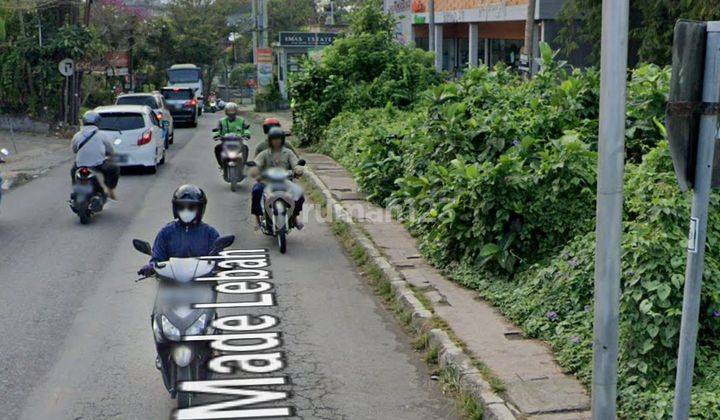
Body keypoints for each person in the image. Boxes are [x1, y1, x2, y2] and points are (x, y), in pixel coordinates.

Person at [138, 185, 220, 273]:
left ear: (200, 209)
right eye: (181, 207)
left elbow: (219, 258)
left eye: (191, 207)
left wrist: (220, 264)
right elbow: (157, 258)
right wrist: (151, 266)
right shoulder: (166, 232)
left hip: (202, 282)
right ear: (175, 209)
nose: (186, 210)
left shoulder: (210, 233)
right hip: (170, 283)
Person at [250, 127, 305, 230]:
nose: (276, 141)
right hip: (267, 182)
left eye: (279, 139)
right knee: (256, 190)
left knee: (300, 196)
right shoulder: (265, 153)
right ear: (270, 141)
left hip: (285, 182)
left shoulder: (288, 152)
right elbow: (256, 163)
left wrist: (298, 170)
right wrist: (255, 170)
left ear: (282, 140)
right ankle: (257, 218)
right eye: (274, 139)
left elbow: (295, 163)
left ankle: (294, 217)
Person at [70, 111, 120, 200]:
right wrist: (110, 155)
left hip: (80, 165)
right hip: (97, 165)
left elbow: (74, 150)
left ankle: (75, 190)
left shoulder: (77, 135)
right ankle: (110, 189)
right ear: (97, 122)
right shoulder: (102, 135)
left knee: (73, 171)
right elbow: (110, 150)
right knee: (114, 168)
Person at [214, 102, 250, 167]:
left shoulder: (241, 120)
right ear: (226, 112)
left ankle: (243, 165)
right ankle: (221, 165)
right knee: (217, 148)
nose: (231, 114)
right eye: (229, 111)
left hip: (238, 142)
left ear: (236, 111)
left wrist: (247, 134)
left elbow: (246, 128)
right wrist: (216, 135)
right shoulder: (221, 121)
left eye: (233, 112)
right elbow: (217, 130)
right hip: (225, 143)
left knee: (245, 148)